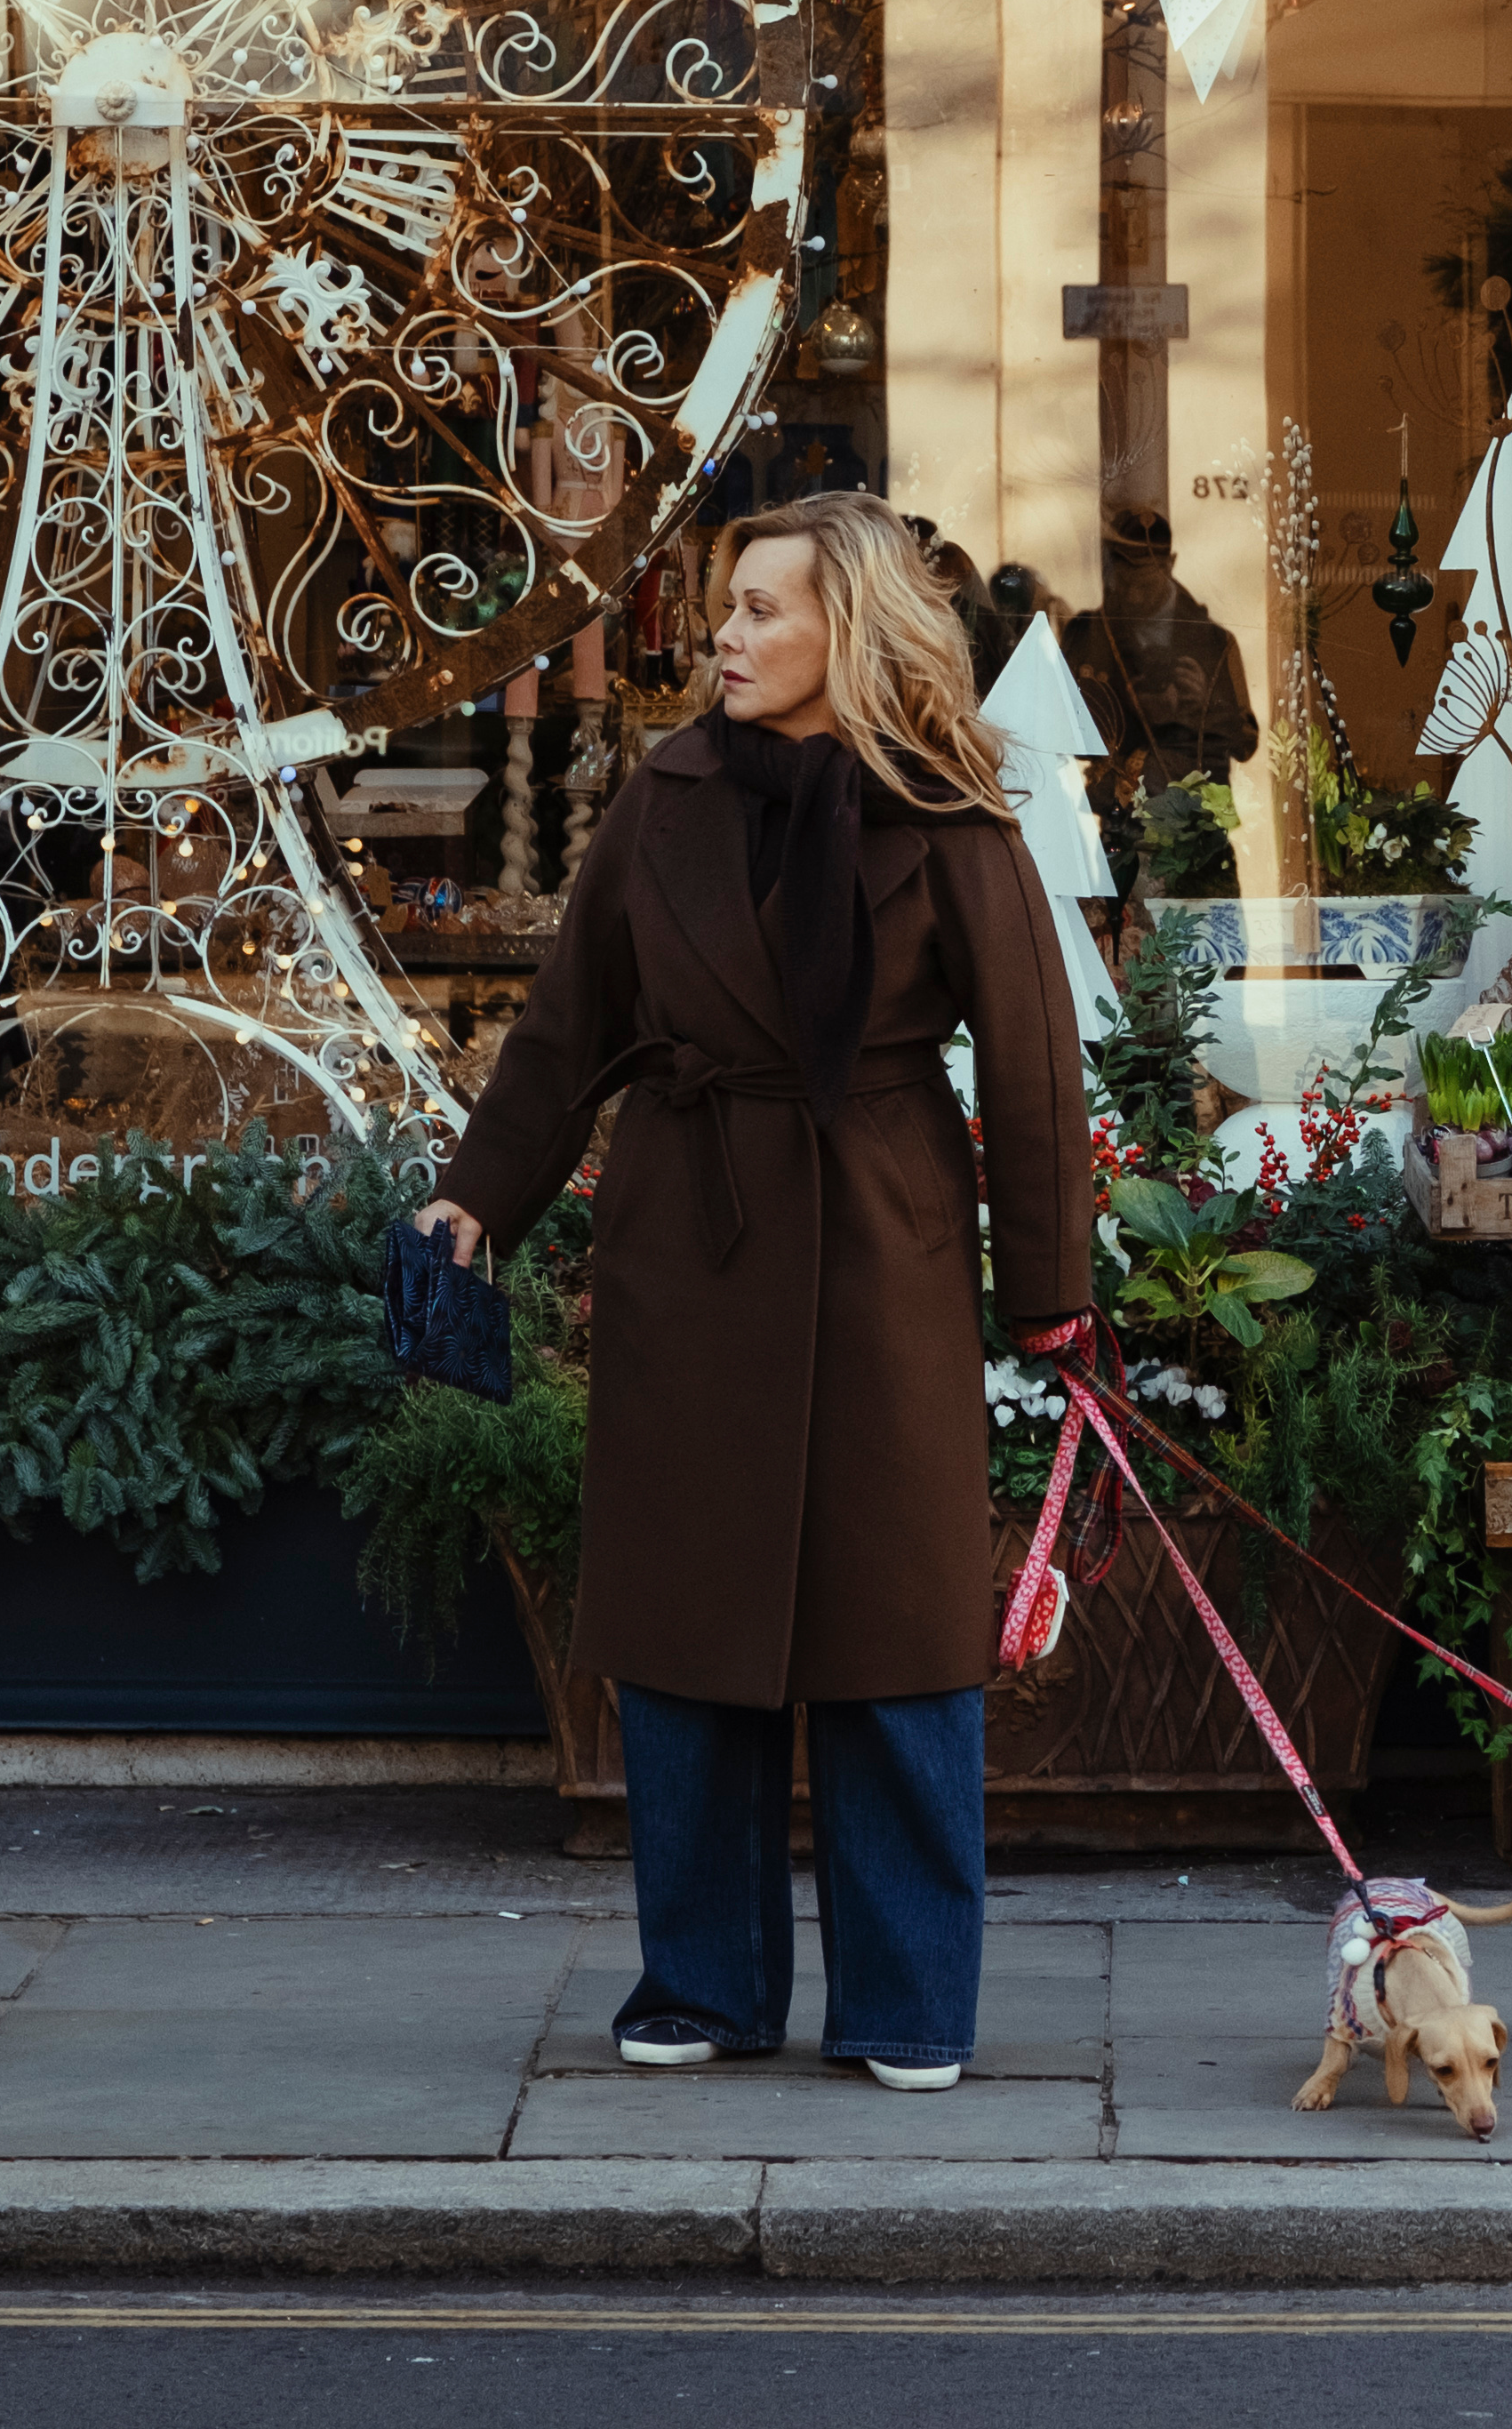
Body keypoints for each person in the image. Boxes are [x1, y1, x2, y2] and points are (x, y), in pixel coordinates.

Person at [416, 493, 1091, 2090]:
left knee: (901, 1626)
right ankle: (704, 1987)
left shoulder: (951, 813)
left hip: (885, 1237)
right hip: (691, 1237)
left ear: (846, 630)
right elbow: (570, 1030)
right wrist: (474, 1200)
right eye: (726, 609)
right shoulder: (664, 799)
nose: (724, 634)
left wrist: (1050, 1295)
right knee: (687, 1618)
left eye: (762, 610)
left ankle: (909, 2000)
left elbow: (1034, 1061)